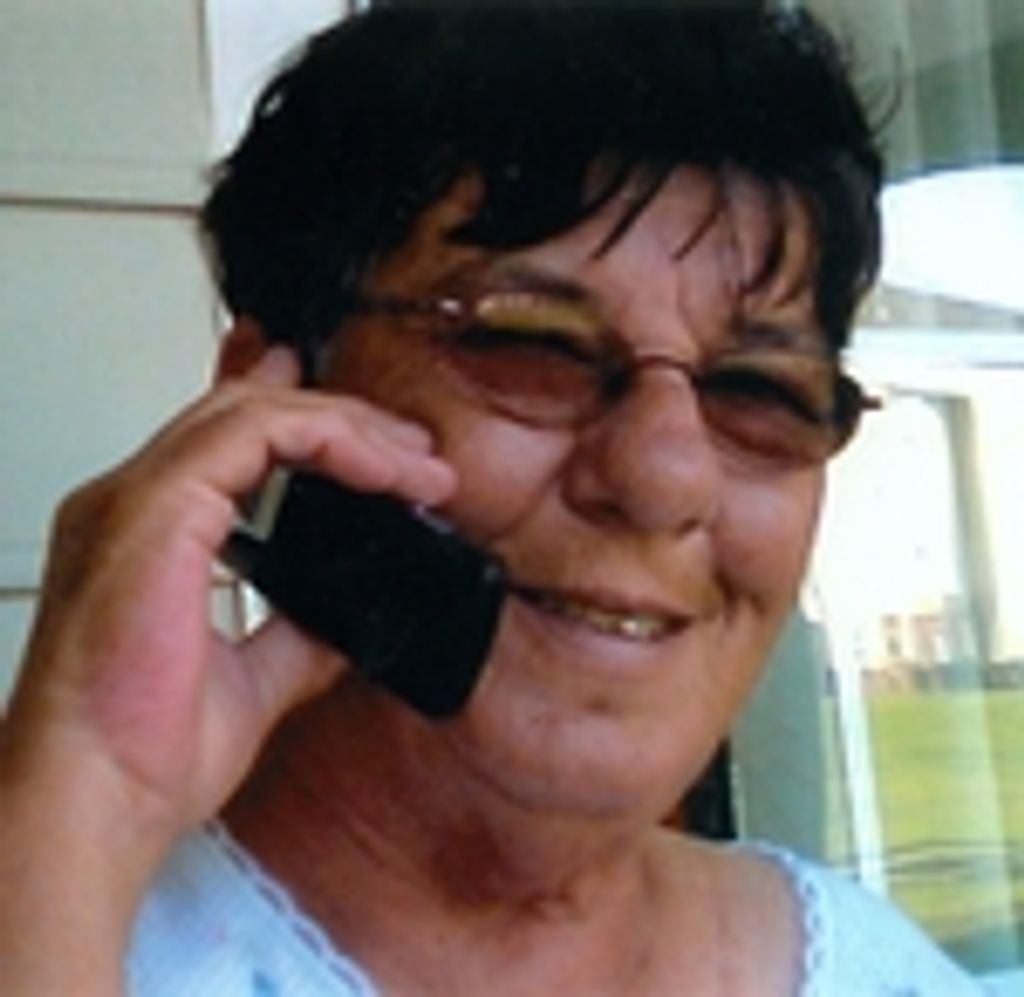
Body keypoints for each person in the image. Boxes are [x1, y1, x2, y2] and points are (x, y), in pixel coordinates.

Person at [0, 2, 988, 994]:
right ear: (270, 404)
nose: (665, 478)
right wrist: (80, 804)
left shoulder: (874, 972)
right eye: (532, 345)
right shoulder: (72, 925)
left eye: (758, 391)